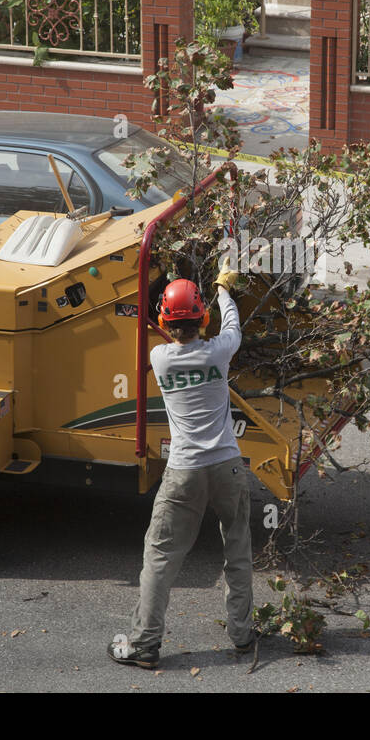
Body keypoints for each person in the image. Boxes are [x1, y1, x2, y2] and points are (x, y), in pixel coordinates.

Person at [109, 266, 255, 668]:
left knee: (160, 557)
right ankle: (242, 636)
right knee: (237, 550)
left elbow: (167, 332)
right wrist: (225, 289)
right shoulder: (221, 350)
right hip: (227, 466)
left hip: (184, 472)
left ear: (163, 323)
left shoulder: (160, 358)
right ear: (203, 318)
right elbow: (233, 326)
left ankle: (144, 644)